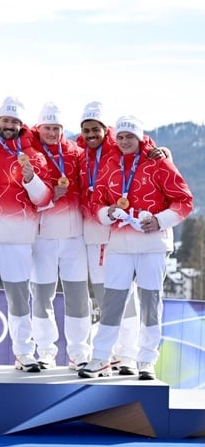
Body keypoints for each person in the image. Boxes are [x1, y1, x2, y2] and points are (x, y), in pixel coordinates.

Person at [79, 116, 193, 380]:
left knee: (150, 303)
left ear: (140, 138)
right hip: (120, 245)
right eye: (120, 137)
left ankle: (146, 360)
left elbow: (184, 200)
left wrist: (159, 220)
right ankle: (100, 357)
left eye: (130, 137)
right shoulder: (109, 163)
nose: (124, 141)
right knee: (112, 303)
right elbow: (97, 202)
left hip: (152, 246)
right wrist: (109, 212)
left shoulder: (157, 161)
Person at [77, 101, 163, 375]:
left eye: (96, 130)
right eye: (87, 130)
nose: (92, 135)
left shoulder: (118, 147)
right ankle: (107, 354)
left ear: (107, 130)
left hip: (127, 234)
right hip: (99, 231)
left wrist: (161, 151)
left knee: (131, 300)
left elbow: (142, 144)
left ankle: (128, 355)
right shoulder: (80, 154)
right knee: (110, 299)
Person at [0, 97, 53, 372]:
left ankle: (24, 352)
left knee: (18, 298)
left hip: (18, 239)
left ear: (21, 125)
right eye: (6, 120)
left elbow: (44, 199)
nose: (9, 125)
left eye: (15, 122)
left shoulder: (35, 157)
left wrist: (31, 179)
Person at [28, 102, 91, 371]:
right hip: (42, 236)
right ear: (39, 128)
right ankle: (45, 351)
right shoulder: (31, 153)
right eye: (47, 128)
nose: (52, 133)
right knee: (42, 297)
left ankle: (78, 351)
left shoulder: (75, 152)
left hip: (74, 236)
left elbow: (106, 141)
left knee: (77, 296)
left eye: (56, 128)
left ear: (63, 129)